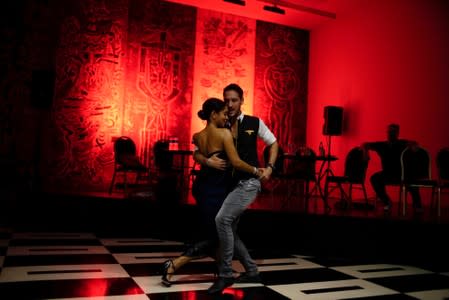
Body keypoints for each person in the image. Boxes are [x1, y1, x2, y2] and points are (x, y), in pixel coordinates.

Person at [160, 97, 264, 287]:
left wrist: (206, 160)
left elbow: (196, 153)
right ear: (213, 114)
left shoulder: (198, 135)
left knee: (221, 231)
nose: (226, 116)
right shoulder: (224, 134)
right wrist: (257, 171)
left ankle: (241, 269)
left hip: (202, 187)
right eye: (223, 113)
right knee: (218, 234)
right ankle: (175, 264)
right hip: (218, 188)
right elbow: (236, 162)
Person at [195, 83, 279, 294]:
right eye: (227, 100)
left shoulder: (254, 122)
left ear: (242, 100)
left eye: (234, 100)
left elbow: (274, 143)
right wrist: (207, 162)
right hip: (228, 185)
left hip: (249, 182)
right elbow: (197, 150)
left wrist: (268, 168)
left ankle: (226, 275)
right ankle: (251, 270)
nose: (230, 104)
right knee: (229, 228)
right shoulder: (220, 122)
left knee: (222, 220)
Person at [362, 123, 422, 212]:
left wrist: (414, 146)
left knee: (411, 180)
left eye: (393, 131)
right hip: (387, 173)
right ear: (387, 132)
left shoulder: (402, 143)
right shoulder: (382, 145)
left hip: (400, 174)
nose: (391, 133)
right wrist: (365, 153)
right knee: (374, 178)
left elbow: (414, 144)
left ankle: (417, 205)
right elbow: (365, 144)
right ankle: (387, 202)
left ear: (397, 133)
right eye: (389, 131)